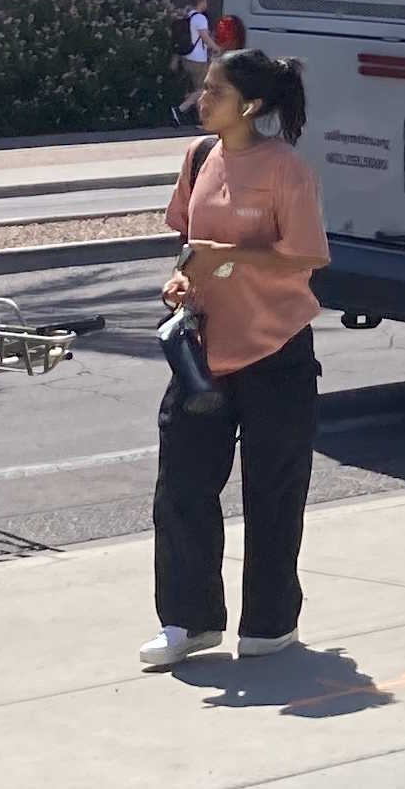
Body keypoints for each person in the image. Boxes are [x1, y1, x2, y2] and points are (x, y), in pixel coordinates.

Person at [142, 50, 327, 669]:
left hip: (277, 351)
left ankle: (270, 624)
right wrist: (180, 278)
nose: (202, 97)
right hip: (203, 352)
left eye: (215, 91)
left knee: (273, 491)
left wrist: (235, 256)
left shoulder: (286, 169)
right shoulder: (198, 159)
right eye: (204, 87)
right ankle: (188, 621)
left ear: (248, 106)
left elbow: (304, 256)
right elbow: (186, 245)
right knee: (182, 489)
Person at [173, 0, 221, 125]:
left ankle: (199, 118)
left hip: (186, 57)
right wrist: (217, 48)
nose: (206, 4)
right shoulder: (200, 18)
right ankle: (180, 109)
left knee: (196, 90)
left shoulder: (188, 16)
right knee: (204, 90)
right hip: (197, 60)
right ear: (201, 1)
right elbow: (205, 38)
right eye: (205, 1)